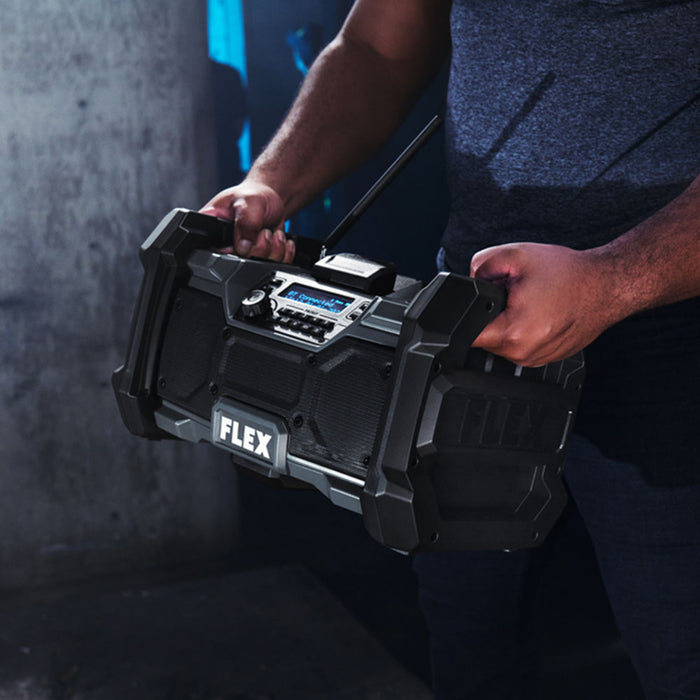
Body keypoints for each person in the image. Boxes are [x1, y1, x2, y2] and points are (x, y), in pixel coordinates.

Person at [201, 1, 700, 697]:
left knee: (681, 651)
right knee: (470, 636)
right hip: (470, 315)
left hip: (671, 323)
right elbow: (377, 49)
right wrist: (271, 181)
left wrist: (616, 280)